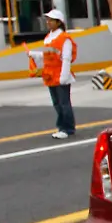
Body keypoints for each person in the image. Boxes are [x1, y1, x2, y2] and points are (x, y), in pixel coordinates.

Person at [28, 9, 77, 139]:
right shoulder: (49, 37)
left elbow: (66, 58)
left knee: (63, 103)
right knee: (57, 103)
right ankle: (62, 127)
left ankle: (67, 128)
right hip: (50, 75)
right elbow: (48, 56)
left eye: (51, 20)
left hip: (61, 74)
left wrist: (64, 76)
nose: (48, 22)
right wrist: (34, 54)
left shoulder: (64, 38)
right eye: (47, 20)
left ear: (58, 22)